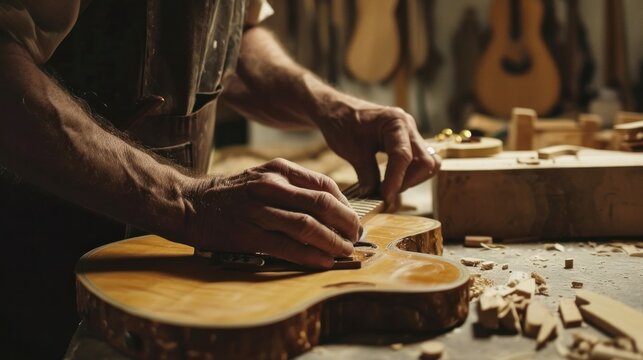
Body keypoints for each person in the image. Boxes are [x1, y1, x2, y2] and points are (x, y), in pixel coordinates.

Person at [0, 0, 440, 357]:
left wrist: (331, 107)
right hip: (36, 254)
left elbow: (229, 41)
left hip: (178, 264)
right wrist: (187, 202)